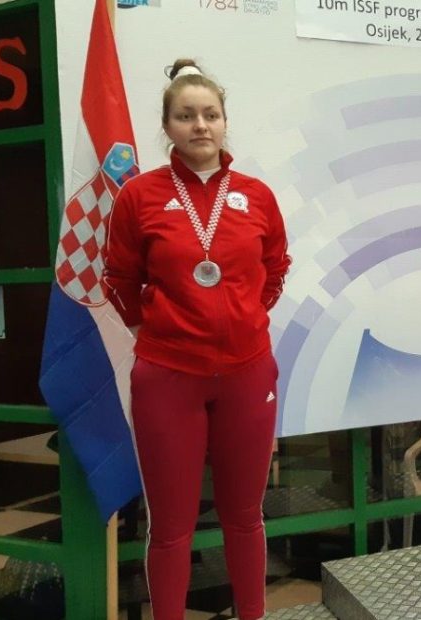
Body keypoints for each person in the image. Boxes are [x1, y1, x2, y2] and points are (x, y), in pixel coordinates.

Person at [104, 59, 291, 620]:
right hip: (168, 377)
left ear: (225, 121)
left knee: (245, 517)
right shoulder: (139, 196)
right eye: (186, 116)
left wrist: (242, 319)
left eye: (210, 114)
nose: (200, 125)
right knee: (170, 527)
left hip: (246, 372)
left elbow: (275, 268)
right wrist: (159, 332)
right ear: (167, 126)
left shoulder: (257, 195)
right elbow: (118, 279)